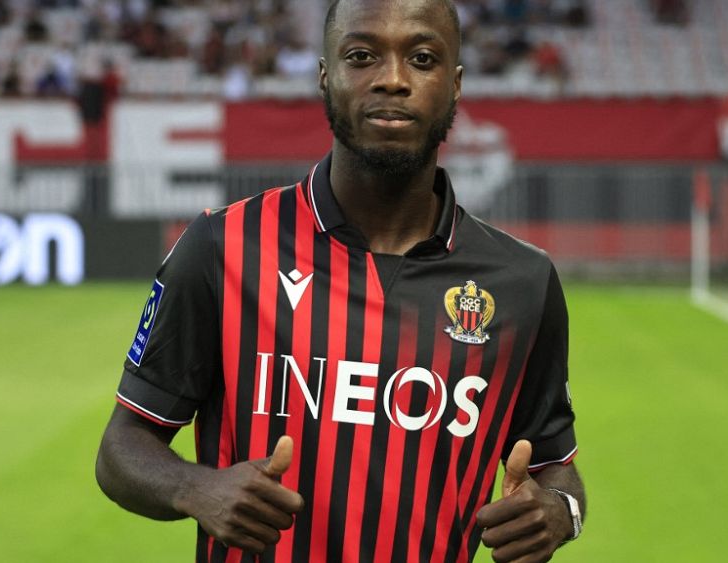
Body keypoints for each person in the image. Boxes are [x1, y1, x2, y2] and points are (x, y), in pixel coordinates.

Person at [95, 1, 585, 562]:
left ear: (454, 86)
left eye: (422, 59)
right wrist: (195, 488)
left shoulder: (523, 282)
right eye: (361, 56)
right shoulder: (223, 246)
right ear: (326, 76)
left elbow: (557, 467)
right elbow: (123, 446)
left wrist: (560, 512)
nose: (393, 79)